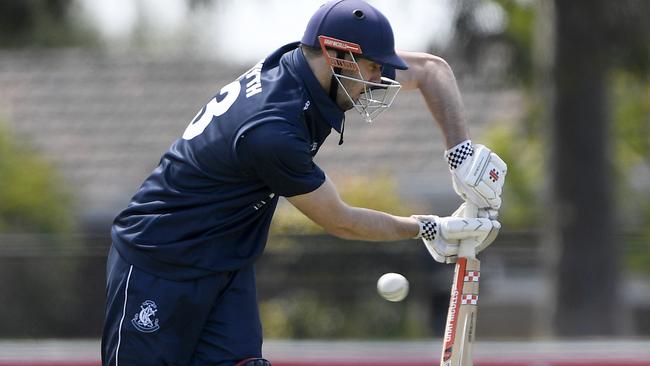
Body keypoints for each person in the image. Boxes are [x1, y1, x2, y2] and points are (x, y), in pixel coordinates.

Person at [101, 0, 507, 365]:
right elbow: (340, 220)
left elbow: (430, 70)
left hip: (225, 264)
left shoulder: (304, 67)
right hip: (158, 262)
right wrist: (426, 227)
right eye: (372, 67)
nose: (380, 79)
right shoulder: (272, 131)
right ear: (337, 55)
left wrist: (461, 154)